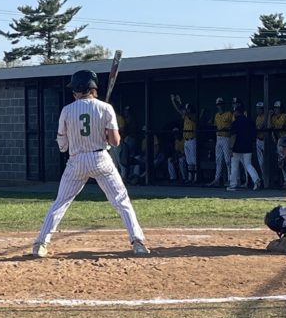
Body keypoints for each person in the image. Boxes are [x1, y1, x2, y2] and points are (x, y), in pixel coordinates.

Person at [32, 70, 149, 257]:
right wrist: (103, 134)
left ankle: (40, 244)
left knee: (60, 202)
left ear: (79, 89)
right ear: (93, 88)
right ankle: (137, 242)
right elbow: (115, 142)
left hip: (76, 160)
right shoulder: (105, 108)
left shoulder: (67, 110)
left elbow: (62, 145)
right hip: (100, 159)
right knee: (121, 201)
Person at [226, 103, 261, 191]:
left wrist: (230, 148)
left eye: (235, 111)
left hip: (237, 148)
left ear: (237, 112)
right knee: (248, 165)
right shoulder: (249, 121)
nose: (234, 113)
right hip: (247, 147)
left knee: (234, 166)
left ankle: (233, 184)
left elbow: (233, 136)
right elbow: (253, 134)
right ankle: (256, 180)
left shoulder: (235, 123)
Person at [170, 94, 198, 183]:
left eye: (188, 108)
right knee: (189, 161)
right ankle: (190, 178)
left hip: (192, 140)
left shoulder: (193, 116)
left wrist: (180, 102)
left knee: (194, 160)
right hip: (186, 140)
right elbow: (178, 110)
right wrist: (174, 101)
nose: (186, 110)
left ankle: (195, 178)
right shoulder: (185, 116)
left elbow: (187, 113)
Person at [208, 97, 233, 186]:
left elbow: (233, 126)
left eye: (221, 104)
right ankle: (217, 179)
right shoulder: (216, 115)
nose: (220, 106)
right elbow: (214, 125)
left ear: (223, 104)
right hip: (218, 138)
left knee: (227, 160)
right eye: (218, 104)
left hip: (226, 138)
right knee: (218, 160)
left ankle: (230, 179)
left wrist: (227, 128)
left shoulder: (229, 114)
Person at [255, 101, 266, 182]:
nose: (258, 110)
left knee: (265, 162)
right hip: (258, 140)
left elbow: (261, 127)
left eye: (260, 109)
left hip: (265, 141)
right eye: (257, 108)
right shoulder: (257, 118)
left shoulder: (265, 117)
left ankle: (266, 179)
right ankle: (263, 178)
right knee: (260, 162)